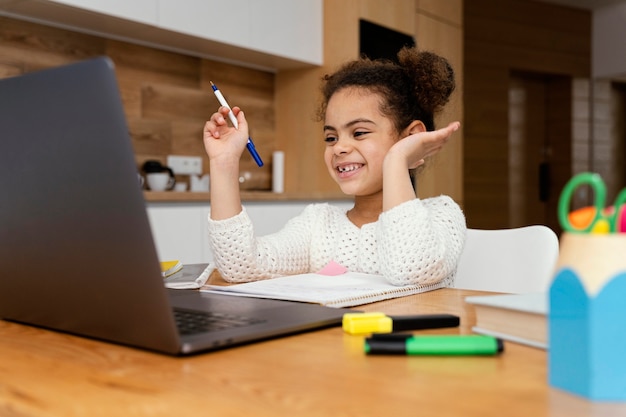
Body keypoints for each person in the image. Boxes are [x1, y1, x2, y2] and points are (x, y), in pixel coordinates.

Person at [202, 46, 466, 287]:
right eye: (331, 137)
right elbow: (240, 267)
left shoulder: (442, 215)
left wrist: (397, 160)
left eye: (359, 132)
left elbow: (412, 271)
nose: (339, 147)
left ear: (411, 137)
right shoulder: (318, 225)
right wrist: (223, 163)